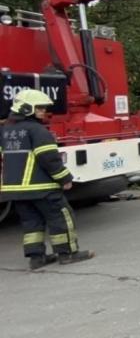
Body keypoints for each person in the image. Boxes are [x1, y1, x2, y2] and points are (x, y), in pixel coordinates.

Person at [0, 89, 94, 267]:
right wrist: (65, 178)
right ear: (27, 108)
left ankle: (36, 258)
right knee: (61, 218)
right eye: (40, 108)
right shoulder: (38, 131)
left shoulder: (5, 131)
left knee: (31, 224)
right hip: (41, 187)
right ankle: (67, 254)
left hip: (15, 191)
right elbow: (49, 160)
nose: (44, 112)